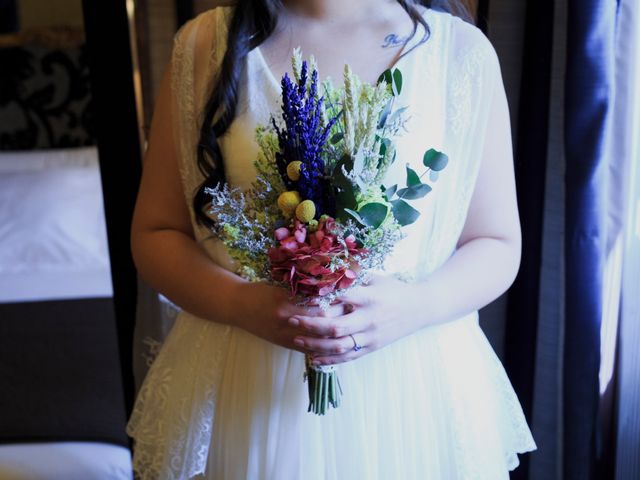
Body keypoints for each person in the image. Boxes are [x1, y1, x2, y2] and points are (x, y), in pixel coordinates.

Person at [125, 0, 538, 478]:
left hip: (412, 388)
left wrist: (415, 306)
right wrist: (244, 305)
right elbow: (156, 234)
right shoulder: (203, 46)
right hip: (245, 374)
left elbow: (497, 242)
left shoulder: (461, 53)